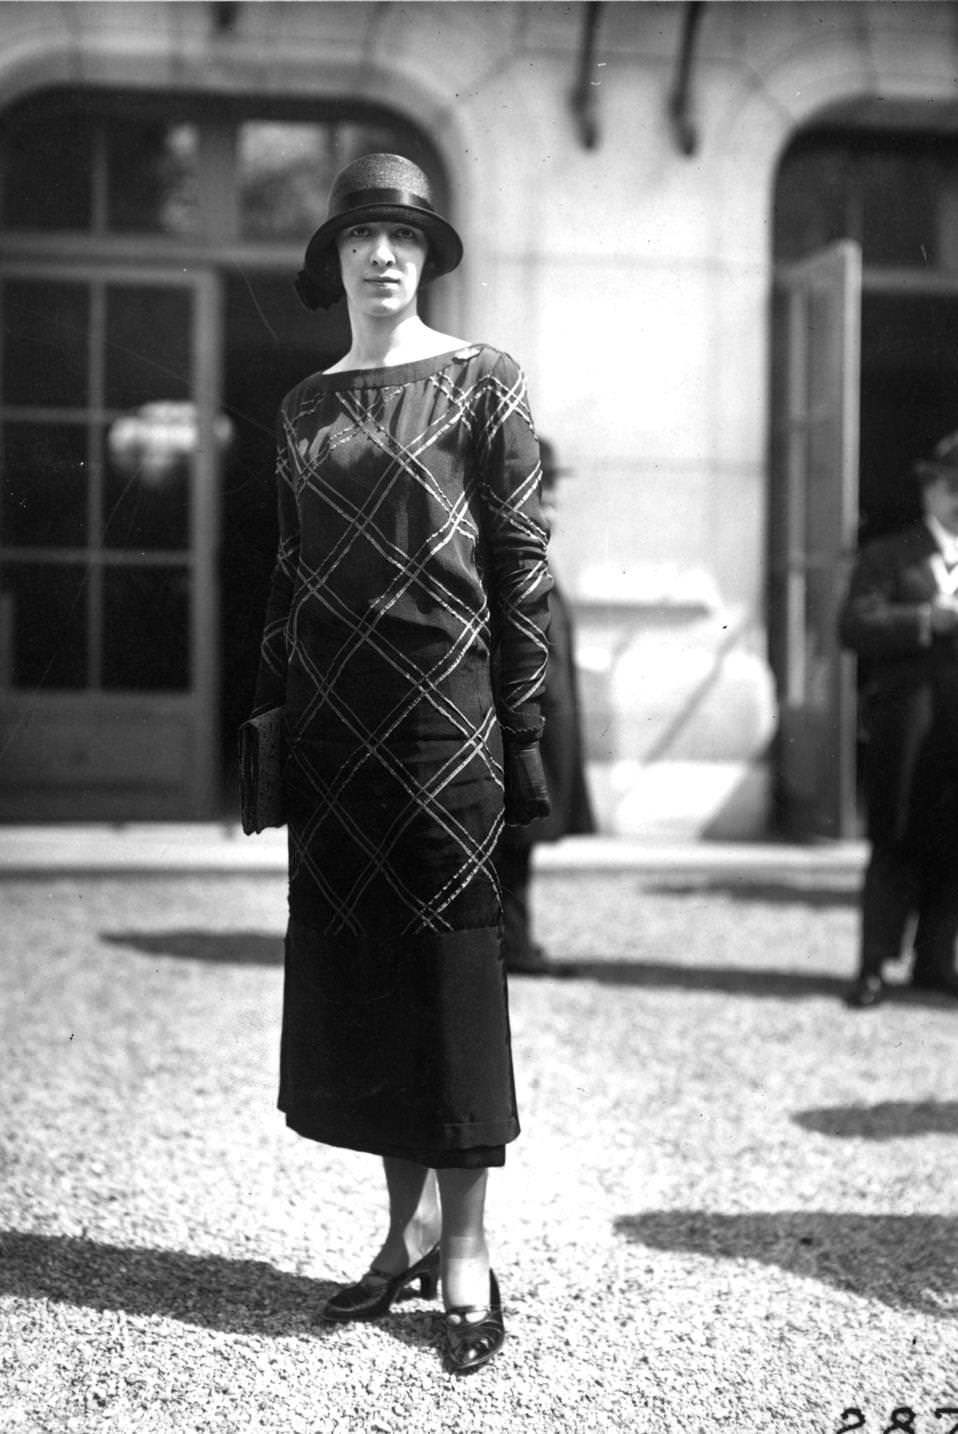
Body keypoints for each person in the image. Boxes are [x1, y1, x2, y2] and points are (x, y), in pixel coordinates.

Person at [248, 152, 552, 1373]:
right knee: (367, 980)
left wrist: (521, 730)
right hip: (334, 732)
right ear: (334, 262)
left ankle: (468, 1252)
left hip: (443, 729)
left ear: (427, 259)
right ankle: (404, 1234)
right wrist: (271, 731)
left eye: (405, 238)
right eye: (363, 236)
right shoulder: (304, 408)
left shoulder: (485, 380)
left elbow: (523, 566)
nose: (383, 254)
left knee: (449, 984)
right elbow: (284, 581)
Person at [839, 430, 958, 1009]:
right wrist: (924, 621)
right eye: (953, 488)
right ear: (931, 491)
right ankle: (873, 966)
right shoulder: (889, 555)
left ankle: (936, 962)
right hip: (905, 728)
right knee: (893, 841)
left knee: (952, 844)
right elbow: (853, 626)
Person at [494, 439, 596, 975]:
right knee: (510, 841)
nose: (552, 503)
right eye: (543, 490)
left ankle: (515, 943)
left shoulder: (530, 549)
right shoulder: (506, 552)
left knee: (520, 843)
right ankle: (509, 947)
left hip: (539, 718)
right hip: (517, 723)